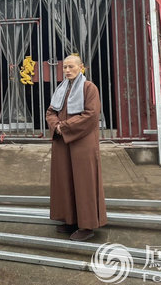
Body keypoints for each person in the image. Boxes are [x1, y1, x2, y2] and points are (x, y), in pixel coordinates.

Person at [45, 55, 107, 242]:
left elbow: (91, 115)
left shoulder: (89, 88)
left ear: (81, 68)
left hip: (82, 142)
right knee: (65, 180)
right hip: (63, 141)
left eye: (71, 67)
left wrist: (63, 127)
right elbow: (51, 111)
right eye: (65, 67)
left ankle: (87, 226)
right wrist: (56, 125)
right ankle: (70, 220)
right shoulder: (62, 88)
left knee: (84, 182)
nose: (67, 70)